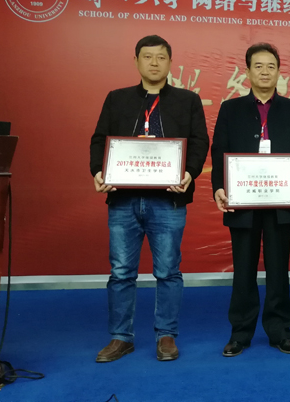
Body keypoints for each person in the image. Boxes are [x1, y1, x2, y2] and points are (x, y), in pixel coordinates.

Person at [89, 35, 209, 362]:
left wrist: (190, 172)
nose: (154, 63)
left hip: (168, 200)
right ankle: (120, 337)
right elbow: (100, 140)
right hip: (123, 200)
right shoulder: (117, 99)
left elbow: (199, 141)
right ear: (136, 61)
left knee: (168, 271)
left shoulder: (187, 100)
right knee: (121, 272)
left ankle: (166, 335)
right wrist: (98, 172)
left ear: (170, 62)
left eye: (160, 57)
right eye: (147, 56)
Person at [211, 43, 290, 356]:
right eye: (258, 66)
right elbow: (219, 149)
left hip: (282, 201)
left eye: (271, 66)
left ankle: (280, 331)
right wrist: (219, 187)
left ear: (279, 72)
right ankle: (240, 333)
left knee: (278, 268)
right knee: (243, 269)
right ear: (247, 72)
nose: (265, 71)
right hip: (242, 200)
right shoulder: (230, 109)